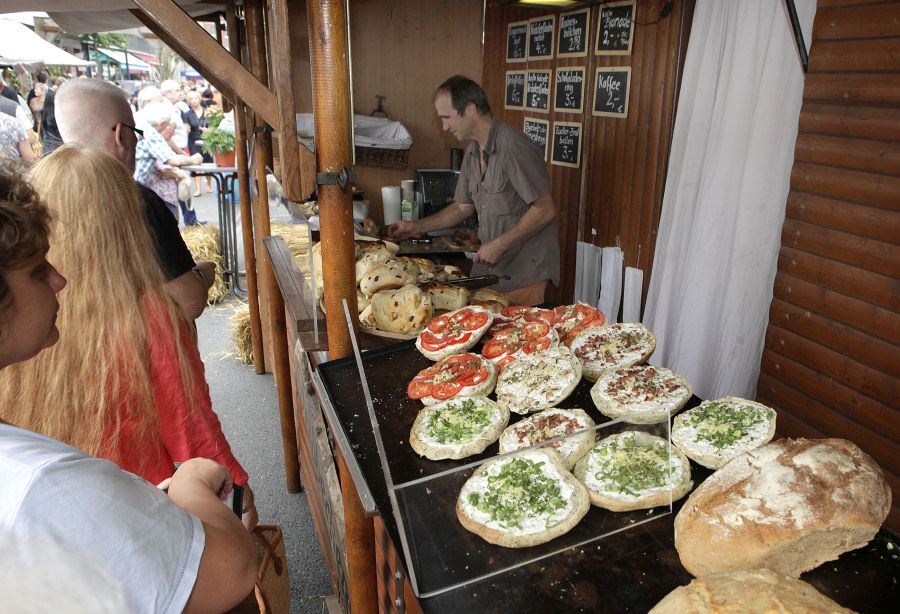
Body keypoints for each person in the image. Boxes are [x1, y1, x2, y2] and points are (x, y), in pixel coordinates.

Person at [0, 170, 257, 611]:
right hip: (148, 522)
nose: (57, 280)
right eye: (38, 270)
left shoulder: (32, 341)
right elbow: (189, 425)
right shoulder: (149, 313)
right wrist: (220, 483)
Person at [389, 75, 560, 306]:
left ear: (470, 109)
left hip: (524, 276)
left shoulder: (513, 147)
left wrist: (499, 244)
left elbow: (545, 209)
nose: (445, 127)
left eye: (447, 117)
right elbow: (462, 207)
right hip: (492, 275)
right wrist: (415, 227)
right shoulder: (472, 152)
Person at [54, 78, 213, 320]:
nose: (137, 140)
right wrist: (205, 272)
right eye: (134, 131)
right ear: (121, 135)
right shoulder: (135, 201)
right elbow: (189, 301)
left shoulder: (41, 194)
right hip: (136, 342)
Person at [136, 87, 204, 225]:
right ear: (161, 123)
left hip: (141, 187)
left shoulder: (144, 127)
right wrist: (193, 159)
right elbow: (171, 160)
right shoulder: (151, 134)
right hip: (143, 189)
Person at [183, 89, 213, 195]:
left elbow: (213, 127)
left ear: (199, 99)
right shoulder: (187, 114)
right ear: (189, 101)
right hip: (193, 141)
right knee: (196, 163)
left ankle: (209, 185)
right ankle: (198, 189)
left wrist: (208, 130)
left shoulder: (208, 111)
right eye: (191, 99)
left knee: (208, 163)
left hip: (207, 140)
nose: (194, 100)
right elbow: (186, 128)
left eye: (196, 98)